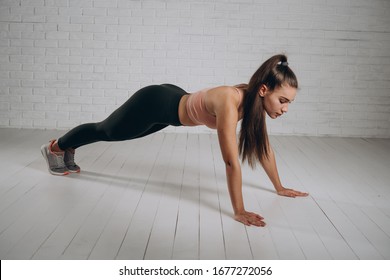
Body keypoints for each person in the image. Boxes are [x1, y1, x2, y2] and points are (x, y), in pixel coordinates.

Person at [41, 54, 309, 227]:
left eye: (290, 103)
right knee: (107, 132)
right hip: (155, 103)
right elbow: (230, 161)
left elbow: (264, 149)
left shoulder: (253, 104)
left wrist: (280, 187)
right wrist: (239, 210)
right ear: (264, 90)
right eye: (283, 100)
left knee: (113, 133)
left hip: (172, 106)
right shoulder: (231, 100)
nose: (285, 108)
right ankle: (56, 147)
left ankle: (68, 147)